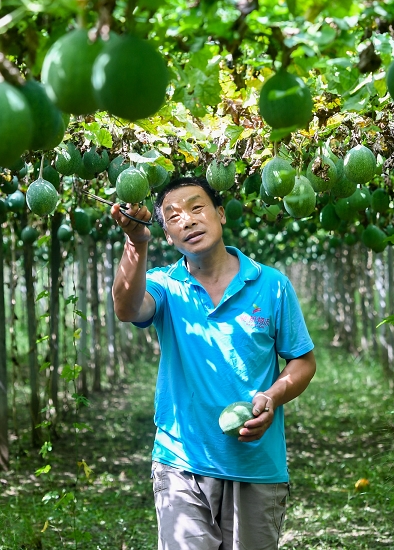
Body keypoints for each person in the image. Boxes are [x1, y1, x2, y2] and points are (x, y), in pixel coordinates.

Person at [110, 176, 316, 550]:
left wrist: (272, 397)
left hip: (256, 466)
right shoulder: (164, 285)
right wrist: (136, 243)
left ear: (220, 214)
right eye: (172, 217)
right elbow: (126, 308)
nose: (186, 220)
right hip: (180, 462)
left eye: (196, 207)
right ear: (168, 237)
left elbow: (302, 361)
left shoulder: (272, 285)